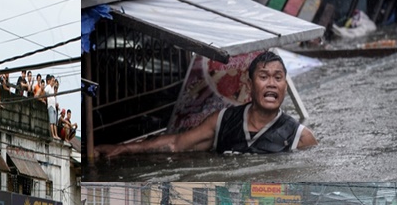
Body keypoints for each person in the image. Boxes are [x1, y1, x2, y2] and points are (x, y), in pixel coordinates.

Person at [95, 51, 318, 158]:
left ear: (285, 87)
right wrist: (123, 149)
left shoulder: (300, 138)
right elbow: (176, 144)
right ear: (249, 85)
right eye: (264, 76)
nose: (271, 84)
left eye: (278, 78)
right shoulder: (223, 121)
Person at [45, 75, 59, 140]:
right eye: (52, 80)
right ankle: (53, 135)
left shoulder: (53, 88)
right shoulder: (48, 87)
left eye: (54, 80)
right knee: (52, 121)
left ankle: (56, 134)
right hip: (50, 105)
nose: (53, 82)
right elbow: (44, 92)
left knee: (55, 122)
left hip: (54, 106)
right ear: (50, 80)